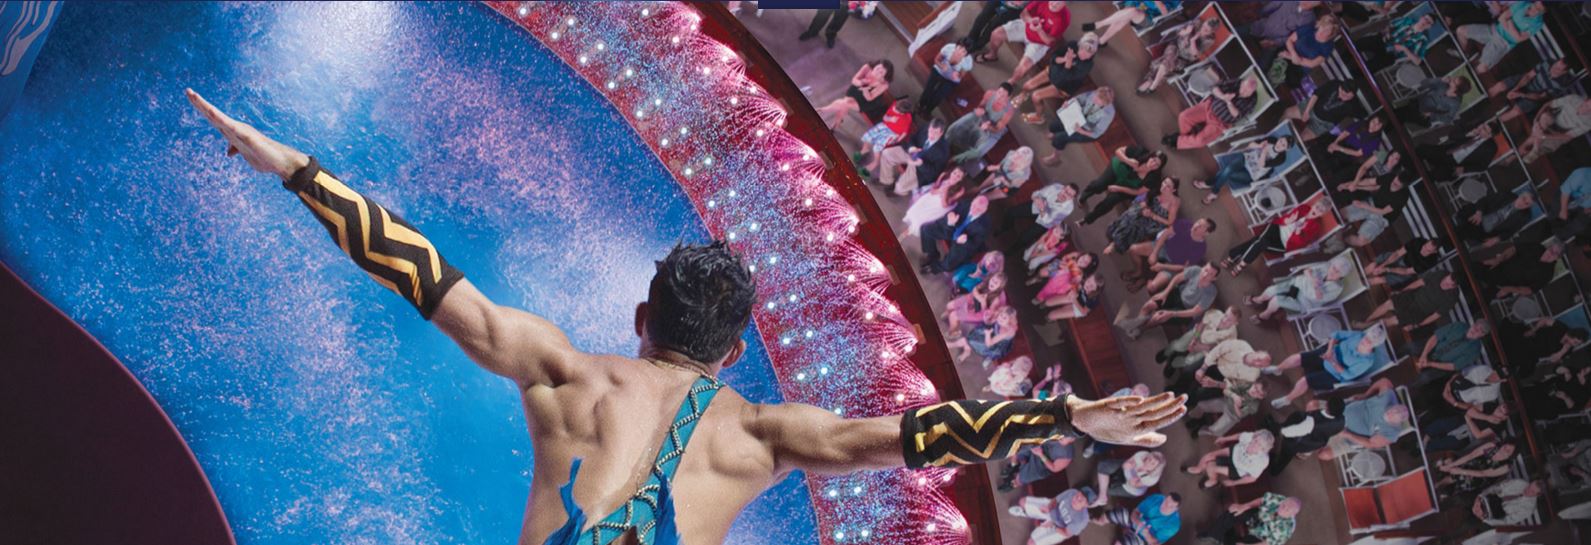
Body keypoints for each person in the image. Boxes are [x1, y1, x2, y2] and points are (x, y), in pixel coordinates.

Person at [183, 89, 1192, 545]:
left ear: (640, 314)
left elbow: (418, 270)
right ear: (738, 345)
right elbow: (920, 435)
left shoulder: (564, 373)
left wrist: (297, 168)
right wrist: (1064, 416)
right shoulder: (767, 437)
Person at [1270, 326, 1389, 408]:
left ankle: (1288, 399)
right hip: (1329, 353)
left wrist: (1332, 361)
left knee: (1304, 381)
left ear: (1374, 345)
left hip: (1334, 373)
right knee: (1298, 358)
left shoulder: (1366, 361)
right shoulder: (1358, 335)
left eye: (1369, 342)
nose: (1364, 341)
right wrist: (1329, 350)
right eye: (1366, 338)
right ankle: (1278, 368)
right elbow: (1336, 334)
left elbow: (1347, 375)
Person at [1221, 197, 1333, 275]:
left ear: (1322, 214)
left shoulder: (1315, 226)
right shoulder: (1303, 208)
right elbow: (1284, 218)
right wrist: (1287, 220)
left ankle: (1234, 257)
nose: (1317, 210)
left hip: (1283, 243)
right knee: (1260, 241)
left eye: (1321, 211)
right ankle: (1240, 264)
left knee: (1259, 241)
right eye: (1317, 207)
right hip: (1277, 227)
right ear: (1314, 205)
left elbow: (1301, 244)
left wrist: (1298, 232)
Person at [1116, 263, 1219, 339]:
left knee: (1157, 317)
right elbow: (1177, 278)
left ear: (1214, 279)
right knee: (1149, 305)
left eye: (1210, 274)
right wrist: (1165, 292)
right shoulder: (1196, 270)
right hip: (1178, 293)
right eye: (1205, 270)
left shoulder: (1211, 292)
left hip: (1186, 310)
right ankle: (1136, 323)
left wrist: (1171, 313)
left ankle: (1140, 330)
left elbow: (1195, 311)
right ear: (1203, 267)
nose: (1205, 274)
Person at [980, 1, 1070, 87]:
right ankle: (993, 55)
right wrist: (1030, 20)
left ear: (1064, 3)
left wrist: (1039, 30)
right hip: (1026, 26)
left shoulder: (1064, 19)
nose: (1054, 4)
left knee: (1024, 66)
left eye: (1059, 2)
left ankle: (1011, 82)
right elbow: (1023, 13)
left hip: (1040, 42)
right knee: (996, 34)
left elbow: (1049, 41)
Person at [1016, 32, 1100, 118]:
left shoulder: (1087, 65)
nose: (1084, 54)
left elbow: (1065, 77)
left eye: (1088, 54)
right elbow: (1054, 57)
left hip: (1062, 86)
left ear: (1092, 54)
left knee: (1036, 96)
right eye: (1082, 49)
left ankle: (1039, 116)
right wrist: (1064, 59)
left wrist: (1068, 62)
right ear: (1079, 45)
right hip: (1053, 71)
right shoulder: (1073, 45)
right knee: (1026, 85)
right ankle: (1023, 96)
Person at [1247, 254, 1354, 322]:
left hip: (1303, 300)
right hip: (1297, 285)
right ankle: (1259, 300)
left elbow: (1318, 298)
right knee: (1273, 290)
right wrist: (1312, 278)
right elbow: (1306, 270)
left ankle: (1265, 315)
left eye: (1337, 271)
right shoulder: (1325, 266)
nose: (1333, 271)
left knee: (1277, 300)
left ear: (1341, 276)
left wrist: (1316, 288)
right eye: (1333, 267)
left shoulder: (1336, 288)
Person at [1164, 75, 1259, 150]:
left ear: (1252, 93)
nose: (1244, 92)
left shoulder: (1252, 100)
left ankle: (1176, 141)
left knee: (1200, 141)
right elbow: (1214, 88)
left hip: (1219, 123)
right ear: (1242, 83)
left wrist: (1229, 102)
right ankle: (1185, 138)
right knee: (1184, 116)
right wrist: (1222, 96)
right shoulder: (1236, 82)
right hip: (1208, 107)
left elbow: (1237, 116)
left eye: (1248, 92)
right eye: (1244, 88)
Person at [1321, 379, 1409, 459]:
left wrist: (1347, 434)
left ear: (1395, 423)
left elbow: (1370, 444)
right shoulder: (1388, 397)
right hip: (1340, 411)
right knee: (1314, 406)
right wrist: (1365, 395)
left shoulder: (1391, 433)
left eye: (1390, 416)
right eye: (1390, 410)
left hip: (1347, 436)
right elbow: (1384, 381)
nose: (1388, 413)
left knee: (1324, 454)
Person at [1078, 146, 1166, 225]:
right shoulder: (1140, 151)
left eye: (1157, 164)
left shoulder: (1154, 178)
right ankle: (1084, 195)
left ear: (1159, 167)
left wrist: (1118, 188)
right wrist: (1128, 161)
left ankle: (1087, 219)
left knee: (1109, 202)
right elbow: (1118, 151)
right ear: (1151, 156)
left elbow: (1138, 192)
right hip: (1118, 169)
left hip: (1128, 187)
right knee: (1099, 184)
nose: (1153, 164)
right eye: (1154, 160)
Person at [1195, 135, 1292, 205]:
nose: (1280, 144)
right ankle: (1214, 192)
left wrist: (1264, 152)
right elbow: (1250, 145)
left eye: (1283, 145)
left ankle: (1209, 183)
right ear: (1279, 138)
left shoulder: (1281, 158)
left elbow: (1261, 164)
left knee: (1228, 172)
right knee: (1229, 169)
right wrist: (1258, 146)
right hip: (1246, 159)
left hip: (1252, 174)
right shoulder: (1272, 139)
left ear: (1286, 149)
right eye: (1281, 141)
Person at [1356, 270, 1460, 333]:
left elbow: (1435, 316)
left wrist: (1417, 325)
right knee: (1388, 304)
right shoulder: (1441, 274)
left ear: (1454, 286)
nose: (1444, 284)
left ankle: (1364, 327)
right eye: (1445, 280)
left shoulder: (1452, 298)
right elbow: (1419, 283)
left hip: (1420, 311)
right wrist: (1402, 292)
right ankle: (1366, 322)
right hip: (1413, 296)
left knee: (1392, 320)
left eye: (1448, 285)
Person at [1455, 1, 1546, 73]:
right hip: (1494, 29)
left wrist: (1510, 21)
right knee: (1460, 30)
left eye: (1539, 10)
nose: (1535, 9)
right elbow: (1501, 18)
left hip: (1503, 42)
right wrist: (1513, 30)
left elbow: (1518, 39)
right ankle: (1464, 55)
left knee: (1482, 68)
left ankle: (1462, 74)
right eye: (1536, 5)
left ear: (1543, 11)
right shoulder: (1523, 3)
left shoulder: (1538, 23)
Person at [1129, 217, 1214, 293]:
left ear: (1206, 233)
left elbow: (1183, 267)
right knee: (1133, 249)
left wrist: (1162, 266)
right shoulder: (1185, 224)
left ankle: (1144, 280)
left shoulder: (1201, 248)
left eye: (1201, 226)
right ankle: (1138, 272)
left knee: (1152, 287)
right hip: (1164, 248)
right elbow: (1166, 234)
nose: (1196, 225)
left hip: (1173, 264)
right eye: (1198, 222)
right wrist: (1154, 253)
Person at [1137, 17, 1219, 95]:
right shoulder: (1197, 23)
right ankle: (1154, 84)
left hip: (1183, 59)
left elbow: (1195, 54)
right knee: (1169, 59)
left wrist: (1193, 41)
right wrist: (1186, 31)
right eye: (1204, 26)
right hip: (1175, 46)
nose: (1203, 29)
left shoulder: (1209, 40)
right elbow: (1179, 32)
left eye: (1207, 30)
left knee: (1165, 62)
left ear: (1212, 32)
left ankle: (1150, 81)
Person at [1265, 398, 1345, 474]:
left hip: (1296, 442)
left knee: (1285, 454)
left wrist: (1280, 430)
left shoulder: (1312, 422)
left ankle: (1275, 470)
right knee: (1287, 456)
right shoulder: (1342, 422)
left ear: (1327, 405)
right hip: (1312, 443)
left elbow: (1289, 432)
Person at [1041, 86, 1116, 165]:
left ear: (1104, 103)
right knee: (1054, 125)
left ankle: (1055, 157)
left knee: (1060, 137)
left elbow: (1096, 134)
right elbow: (1078, 99)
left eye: (1097, 100)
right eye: (1095, 96)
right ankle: (1054, 135)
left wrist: (1081, 131)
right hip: (1079, 117)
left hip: (1087, 131)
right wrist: (1068, 103)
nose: (1094, 99)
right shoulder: (1094, 93)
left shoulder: (1108, 114)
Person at [1105, 176, 1179, 256]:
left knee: (1135, 223)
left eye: (1168, 186)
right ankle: (1115, 237)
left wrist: (1153, 215)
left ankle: (1115, 243)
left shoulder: (1174, 202)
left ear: (1173, 190)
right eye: (1164, 182)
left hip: (1156, 221)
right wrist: (1144, 207)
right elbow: (1147, 201)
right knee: (1131, 213)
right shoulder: (1157, 189)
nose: (1164, 186)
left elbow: (1169, 222)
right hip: (1147, 211)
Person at [1156, 305, 1238, 376]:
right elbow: (1201, 324)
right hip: (1198, 334)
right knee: (1177, 346)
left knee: (1189, 361)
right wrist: (1194, 340)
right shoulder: (1214, 313)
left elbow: (1218, 349)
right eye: (1225, 315)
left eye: (1229, 320)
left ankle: (1172, 364)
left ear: (1235, 323)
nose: (1224, 320)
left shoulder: (1232, 337)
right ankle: (1166, 352)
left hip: (1206, 348)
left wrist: (1203, 347)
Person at [920, 195, 993, 273]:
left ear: (984, 210)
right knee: (925, 229)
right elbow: (950, 213)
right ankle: (932, 254)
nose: (974, 210)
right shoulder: (965, 203)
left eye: (978, 209)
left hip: (963, 242)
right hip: (952, 228)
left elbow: (975, 244)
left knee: (949, 264)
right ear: (973, 201)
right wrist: (949, 218)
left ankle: (935, 268)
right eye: (974, 205)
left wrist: (965, 241)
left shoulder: (985, 225)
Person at [1492, 58, 1577, 124]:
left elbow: (1541, 97)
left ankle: (1492, 125)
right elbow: (1528, 76)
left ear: (1565, 72)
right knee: (1501, 85)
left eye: (1558, 69)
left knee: (1516, 111)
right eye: (1555, 65)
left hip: (1535, 95)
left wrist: (1521, 94)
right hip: (1528, 82)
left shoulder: (1562, 84)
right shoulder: (1548, 62)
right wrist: (1515, 89)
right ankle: (1485, 99)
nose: (1554, 68)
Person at [946, 83, 1017, 163]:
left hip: (992, 130)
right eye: (999, 92)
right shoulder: (990, 93)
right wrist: (979, 109)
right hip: (982, 117)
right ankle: (945, 141)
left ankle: (954, 160)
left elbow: (997, 129)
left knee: (978, 152)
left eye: (1003, 96)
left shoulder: (1009, 111)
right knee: (955, 126)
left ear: (1008, 98)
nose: (999, 96)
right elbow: (981, 105)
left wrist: (988, 127)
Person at [878, 118, 950, 196]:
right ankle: (886, 181)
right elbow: (912, 138)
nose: (931, 135)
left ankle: (897, 191)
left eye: (936, 132)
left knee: (900, 187)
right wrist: (911, 147)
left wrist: (921, 164)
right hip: (912, 153)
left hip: (920, 168)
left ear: (941, 133)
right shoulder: (925, 128)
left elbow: (933, 173)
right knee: (887, 153)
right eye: (930, 130)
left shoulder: (944, 151)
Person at [815, 60, 893, 131]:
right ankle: (836, 124)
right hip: (856, 90)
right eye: (878, 68)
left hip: (866, 101)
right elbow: (854, 80)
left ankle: (823, 110)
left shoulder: (884, 84)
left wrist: (865, 89)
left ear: (884, 76)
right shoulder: (867, 67)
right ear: (876, 65)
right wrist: (862, 82)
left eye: (881, 73)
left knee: (845, 103)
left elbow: (869, 98)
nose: (878, 72)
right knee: (844, 105)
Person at [1411, 320, 1490, 387]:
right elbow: (1436, 337)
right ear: (1473, 324)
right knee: (1412, 347)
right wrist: (1424, 355)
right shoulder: (1459, 326)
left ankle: (1406, 388)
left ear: (1482, 335)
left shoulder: (1475, 350)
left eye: (1480, 330)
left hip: (1443, 365)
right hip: (1434, 347)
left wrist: (1430, 364)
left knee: (1425, 377)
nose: (1475, 330)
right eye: (1476, 326)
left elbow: (1453, 366)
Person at [1200, 493, 1301, 545]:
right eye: (1284, 505)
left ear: (1292, 514)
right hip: (1258, 516)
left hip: (1261, 536)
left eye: (1287, 510)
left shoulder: (1284, 530)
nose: (1283, 509)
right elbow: (1261, 500)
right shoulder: (1280, 499)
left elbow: (1267, 543)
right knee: (1233, 511)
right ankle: (1214, 535)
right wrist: (1244, 506)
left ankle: (1223, 538)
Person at [899, 166, 967, 242]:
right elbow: (932, 190)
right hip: (931, 198)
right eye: (954, 173)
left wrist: (945, 192)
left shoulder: (960, 190)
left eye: (958, 176)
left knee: (920, 220)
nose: (955, 176)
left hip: (940, 206)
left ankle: (905, 233)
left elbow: (945, 205)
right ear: (951, 172)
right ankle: (907, 230)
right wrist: (939, 186)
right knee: (915, 212)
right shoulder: (945, 177)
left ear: (961, 179)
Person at [1185, 430, 1275, 488]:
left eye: (1259, 445)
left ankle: (1213, 481)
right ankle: (1199, 469)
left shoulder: (1261, 462)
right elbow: (1238, 436)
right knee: (1209, 456)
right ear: (1254, 437)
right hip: (1235, 452)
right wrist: (1224, 439)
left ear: (1263, 449)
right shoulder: (1250, 436)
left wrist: (1233, 483)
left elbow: (1252, 478)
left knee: (1211, 467)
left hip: (1239, 469)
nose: (1254, 444)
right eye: (1255, 440)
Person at [1340, 172, 1409, 247]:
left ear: (1403, 186)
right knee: (1341, 213)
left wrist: (1363, 205)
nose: (1393, 184)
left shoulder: (1403, 196)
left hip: (1382, 217)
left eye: (1396, 185)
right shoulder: (1391, 176)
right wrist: (1356, 185)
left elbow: (1383, 211)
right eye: (1394, 181)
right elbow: (1372, 183)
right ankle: (1338, 233)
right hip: (1372, 203)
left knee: (1361, 241)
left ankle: (1342, 240)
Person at [1010, 486, 1096, 545]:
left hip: (1059, 528)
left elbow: (1066, 533)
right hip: (1053, 509)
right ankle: (1024, 512)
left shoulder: (1081, 520)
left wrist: (1053, 525)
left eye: (1081, 500)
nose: (1076, 499)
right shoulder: (1072, 492)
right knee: (1022, 502)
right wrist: (1049, 507)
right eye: (1077, 495)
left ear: (1086, 505)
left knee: (1031, 543)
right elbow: (1056, 500)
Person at [1520, 93, 1591, 162]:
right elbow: (1548, 104)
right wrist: (1535, 119)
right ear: (1586, 100)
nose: (1586, 110)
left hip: (1562, 133)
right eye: (1587, 106)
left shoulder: (1589, 123)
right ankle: (1535, 148)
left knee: (1542, 142)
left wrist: (1544, 136)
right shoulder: (1574, 98)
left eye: (1590, 110)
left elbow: (1568, 136)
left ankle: (1524, 151)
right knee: (1545, 116)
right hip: (1552, 120)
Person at [1284, 79, 1365, 140]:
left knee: (1301, 139)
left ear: (1352, 96)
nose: (1341, 97)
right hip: (1312, 107)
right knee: (1288, 113)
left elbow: (1363, 116)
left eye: (1347, 96)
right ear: (1340, 87)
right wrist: (1307, 111)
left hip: (1323, 124)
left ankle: (1284, 145)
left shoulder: (1353, 105)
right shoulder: (1335, 84)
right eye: (1341, 93)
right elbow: (1316, 94)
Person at [1454, 189, 1536, 248]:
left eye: (1527, 204)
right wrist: (1479, 213)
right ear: (1520, 195)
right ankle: (1451, 241)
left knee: (1465, 232)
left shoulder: (1525, 217)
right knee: (1465, 229)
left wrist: (1497, 239)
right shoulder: (1506, 195)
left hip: (1486, 231)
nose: (1523, 203)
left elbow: (1511, 232)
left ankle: (1449, 241)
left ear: (1528, 207)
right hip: (1479, 215)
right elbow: (1484, 200)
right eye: (1523, 198)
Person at [1311, 116, 1384, 183]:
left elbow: (1358, 153)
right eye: (1373, 122)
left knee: (1332, 161)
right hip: (1343, 142)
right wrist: (1335, 143)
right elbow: (1346, 133)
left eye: (1378, 125)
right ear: (1370, 120)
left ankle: (1313, 175)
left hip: (1350, 154)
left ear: (1381, 127)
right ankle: (1308, 164)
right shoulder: (1362, 123)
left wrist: (1339, 148)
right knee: (1324, 146)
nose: (1374, 125)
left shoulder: (1376, 140)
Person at [1479, 241, 1562, 298]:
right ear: (1548, 247)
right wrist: (1498, 260)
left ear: (1557, 258)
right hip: (1500, 266)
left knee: (1481, 296)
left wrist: (1508, 289)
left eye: (1555, 253)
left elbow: (1529, 290)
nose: (1551, 253)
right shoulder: (1537, 247)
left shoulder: (1548, 274)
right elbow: (1514, 249)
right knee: (1477, 268)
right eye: (1551, 250)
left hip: (1507, 285)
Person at [1416, 123, 1497, 182]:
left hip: (1456, 165)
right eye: (1483, 126)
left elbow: (1483, 166)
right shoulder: (1474, 128)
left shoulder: (1491, 148)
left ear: (1489, 135)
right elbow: (1452, 136)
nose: (1481, 129)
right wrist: (1468, 134)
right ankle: (1411, 170)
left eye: (1484, 129)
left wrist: (1464, 169)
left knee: (1434, 176)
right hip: (1447, 152)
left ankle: (1415, 186)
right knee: (1422, 149)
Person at [1008, 182, 1077, 250]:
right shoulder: (1055, 187)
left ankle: (1011, 251)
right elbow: (1036, 194)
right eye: (1065, 191)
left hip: (1045, 222)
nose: (1065, 194)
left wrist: (1042, 209)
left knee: (1024, 238)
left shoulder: (1068, 209)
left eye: (1069, 195)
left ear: (1072, 198)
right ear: (1063, 188)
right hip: (1037, 206)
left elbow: (1048, 220)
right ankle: (1007, 227)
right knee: (1010, 212)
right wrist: (1036, 199)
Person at [1275, 14, 1338, 90]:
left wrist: (1291, 57)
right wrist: (1293, 54)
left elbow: (1312, 64)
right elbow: (1289, 40)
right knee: (1274, 56)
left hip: (1299, 68)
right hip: (1289, 52)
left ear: (1331, 33)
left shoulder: (1328, 46)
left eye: (1327, 30)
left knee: (1288, 80)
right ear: (1320, 24)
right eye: (1323, 26)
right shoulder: (1310, 28)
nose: (1323, 31)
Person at [854, 99, 913, 178]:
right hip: (884, 126)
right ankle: (864, 150)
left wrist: (897, 140)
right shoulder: (895, 105)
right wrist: (890, 119)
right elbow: (885, 117)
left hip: (892, 134)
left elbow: (904, 132)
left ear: (903, 113)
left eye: (898, 111)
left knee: (877, 148)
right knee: (868, 136)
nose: (895, 110)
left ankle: (872, 165)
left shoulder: (907, 118)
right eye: (895, 108)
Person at [1093, 492, 1181, 545]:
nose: (1166, 506)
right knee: (1115, 513)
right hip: (1136, 521)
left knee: (1118, 544)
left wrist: (1146, 533)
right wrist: (1138, 522)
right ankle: (1099, 521)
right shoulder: (1156, 498)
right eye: (1166, 501)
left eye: (1171, 506)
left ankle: (1125, 536)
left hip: (1143, 538)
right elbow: (1135, 513)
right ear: (1165, 498)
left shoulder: (1173, 525)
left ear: (1176, 509)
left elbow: (1154, 543)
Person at [1436, 440, 1516, 497]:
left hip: (1479, 479)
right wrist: (1451, 465)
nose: (1504, 450)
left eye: (1508, 451)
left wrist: (1460, 471)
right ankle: (1438, 484)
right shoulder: (1491, 446)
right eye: (1505, 446)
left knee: (1463, 479)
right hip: (1470, 465)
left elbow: (1483, 473)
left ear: (1510, 456)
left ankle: (1445, 494)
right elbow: (1471, 455)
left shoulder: (1506, 467)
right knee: (1451, 467)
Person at [918, 39, 974, 116]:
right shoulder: (948, 48)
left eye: (964, 51)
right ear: (957, 45)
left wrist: (957, 74)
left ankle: (928, 110)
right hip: (939, 70)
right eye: (960, 48)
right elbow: (936, 60)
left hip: (951, 79)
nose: (960, 52)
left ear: (967, 54)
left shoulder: (968, 61)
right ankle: (920, 105)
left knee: (939, 96)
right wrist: (941, 66)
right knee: (929, 88)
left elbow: (961, 75)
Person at [947, 306, 1019, 366]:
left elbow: (989, 344)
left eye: (1004, 318)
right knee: (970, 339)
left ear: (1009, 321)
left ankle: (951, 345)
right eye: (1001, 315)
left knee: (969, 340)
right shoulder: (999, 317)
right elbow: (989, 322)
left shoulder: (1006, 332)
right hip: (992, 333)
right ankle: (966, 352)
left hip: (995, 345)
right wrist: (987, 319)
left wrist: (987, 334)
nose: (1001, 318)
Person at [998, 435, 1076, 491]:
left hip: (1043, 463)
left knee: (1024, 476)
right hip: (1039, 447)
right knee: (1020, 446)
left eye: (1067, 436)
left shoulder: (1067, 455)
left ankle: (1015, 483)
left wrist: (1040, 454)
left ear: (1072, 439)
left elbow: (1054, 468)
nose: (1063, 436)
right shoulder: (1058, 434)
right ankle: (1014, 465)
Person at [944, 269, 1007, 336]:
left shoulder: (996, 300)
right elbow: (975, 290)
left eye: (996, 283)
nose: (993, 283)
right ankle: (951, 320)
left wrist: (983, 302)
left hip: (979, 312)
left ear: (999, 287)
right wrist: (979, 298)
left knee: (954, 315)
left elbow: (986, 313)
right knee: (949, 305)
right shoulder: (985, 283)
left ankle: (952, 332)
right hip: (972, 300)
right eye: (993, 280)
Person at [1365, 237, 1442, 289]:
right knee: (1374, 265)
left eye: (1428, 250)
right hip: (1402, 257)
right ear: (1426, 242)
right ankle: (1362, 273)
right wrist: (1382, 265)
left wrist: (1387, 269)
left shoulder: (1430, 261)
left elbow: (1406, 271)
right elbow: (1398, 253)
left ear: (1434, 252)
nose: (1424, 250)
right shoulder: (1418, 241)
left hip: (1407, 270)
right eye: (1425, 246)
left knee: (1380, 279)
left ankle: (1364, 284)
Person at [1093, 450, 1167, 503]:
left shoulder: (1152, 479)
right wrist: (1125, 465)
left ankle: (1102, 491)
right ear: (1148, 456)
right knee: (1103, 466)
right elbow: (1127, 463)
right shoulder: (1142, 454)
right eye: (1150, 459)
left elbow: (1135, 485)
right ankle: (1103, 493)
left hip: (1131, 488)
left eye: (1153, 464)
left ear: (1155, 468)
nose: (1148, 463)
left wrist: (1132, 481)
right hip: (1127, 470)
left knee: (1099, 489)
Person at [1404, 75, 1470, 129]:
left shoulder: (1455, 103)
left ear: (1456, 89)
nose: (1452, 79)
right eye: (1454, 78)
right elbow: (1423, 82)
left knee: (1405, 115)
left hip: (1424, 116)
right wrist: (1440, 79)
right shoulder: (1443, 84)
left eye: (1454, 81)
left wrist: (1432, 115)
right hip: (1417, 103)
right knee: (1405, 113)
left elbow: (1448, 119)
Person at [966, 0, 1031, 54]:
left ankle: (978, 45)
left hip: (1014, 7)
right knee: (983, 16)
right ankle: (971, 37)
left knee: (993, 25)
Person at [1473, 480, 1543, 527]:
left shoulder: (1529, 508)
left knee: (1471, 522)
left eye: (1532, 491)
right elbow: (1497, 487)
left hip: (1494, 516)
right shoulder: (1520, 482)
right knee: (1469, 500)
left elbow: (1507, 521)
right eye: (1529, 486)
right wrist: (1480, 496)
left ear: (1537, 495)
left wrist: (1484, 519)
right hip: (1489, 499)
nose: (1527, 490)